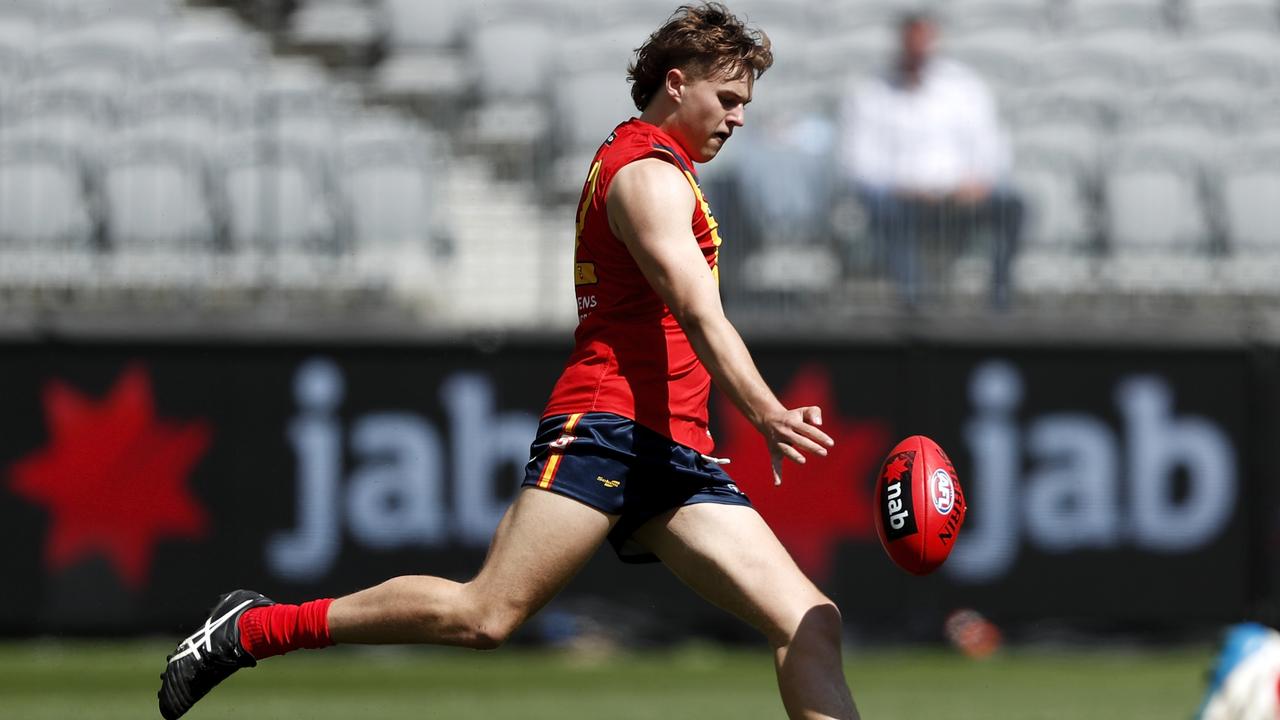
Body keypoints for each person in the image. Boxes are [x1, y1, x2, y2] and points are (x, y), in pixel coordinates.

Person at [157, 5, 860, 719]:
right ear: (676, 85)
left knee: (809, 620)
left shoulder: (663, 169)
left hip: (674, 448)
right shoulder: (647, 175)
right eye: (729, 99)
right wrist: (765, 409)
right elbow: (696, 309)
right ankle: (252, 628)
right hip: (611, 427)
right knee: (485, 615)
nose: (739, 118)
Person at [838, 11, 1023, 310]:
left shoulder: (964, 86)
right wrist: (906, 188)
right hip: (902, 199)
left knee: (1013, 204)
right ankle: (916, 305)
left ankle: (999, 302)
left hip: (961, 197)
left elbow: (992, 150)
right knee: (883, 208)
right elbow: (858, 164)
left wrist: (974, 184)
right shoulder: (869, 91)